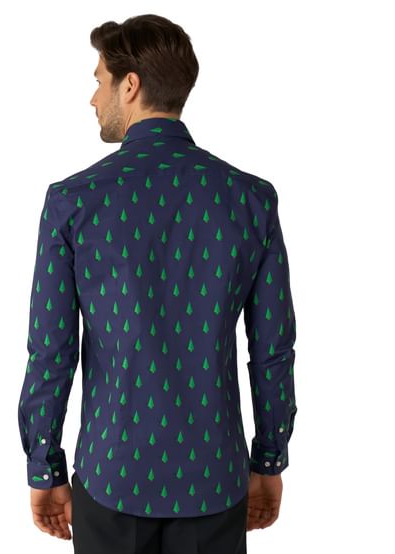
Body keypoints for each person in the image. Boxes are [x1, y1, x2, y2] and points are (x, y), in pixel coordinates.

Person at [17, 13, 297, 554]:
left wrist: (44, 466)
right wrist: (269, 460)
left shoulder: (73, 201)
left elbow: (51, 351)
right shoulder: (251, 199)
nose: (93, 98)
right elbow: (272, 350)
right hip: (216, 479)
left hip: (110, 476)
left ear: (130, 85)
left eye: (99, 81)